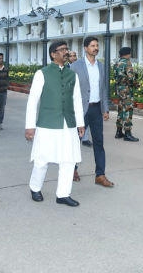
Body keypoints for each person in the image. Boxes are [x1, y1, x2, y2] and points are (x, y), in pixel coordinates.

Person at [25, 41, 85, 207]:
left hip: (68, 124)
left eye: (67, 49)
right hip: (47, 123)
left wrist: (80, 123)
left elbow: (77, 100)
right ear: (53, 54)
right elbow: (32, 101)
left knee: (69, 160)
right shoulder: (42, 73)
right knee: (42, 159)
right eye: (63, 50)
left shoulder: (72, 75)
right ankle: (35, 188)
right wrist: (30, 126)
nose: (66, 52)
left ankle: (63, 194)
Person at [70, 36, 114, 187]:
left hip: (96, 109)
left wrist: (105, 108)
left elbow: (103, 89)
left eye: (97, 46)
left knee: (99, 142)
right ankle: (72, 170)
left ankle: (100, 175)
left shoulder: (101, 66)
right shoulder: (76, 66)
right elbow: (69, 89)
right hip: (81, 109)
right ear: (85, 48)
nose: (96, 48)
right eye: (92, 46)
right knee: (75, 141)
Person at [114, 47, 140, 142]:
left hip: (119, 90)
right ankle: (127, 133)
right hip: (127, 90)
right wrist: (137, 84)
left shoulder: (117, 63)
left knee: (121, 110)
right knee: (128, 110)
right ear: (128, 54)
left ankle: (118, 132)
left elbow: (116, 77)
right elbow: (131, 78)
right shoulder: (127, 63)